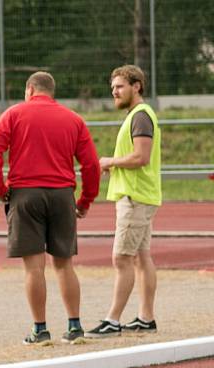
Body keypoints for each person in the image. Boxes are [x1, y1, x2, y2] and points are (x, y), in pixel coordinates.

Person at [0, 72, 101, 345]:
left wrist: (0, 191)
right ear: (52, 91)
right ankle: (74, 327)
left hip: (25, 195)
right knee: (64, 265)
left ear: (29, 89)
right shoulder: (73, 119)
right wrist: (85, 201)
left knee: (34, 268)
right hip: (62, 195)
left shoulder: (13, 115)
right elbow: (91, 165)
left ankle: (40, 329)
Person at [86, 65, 162, 338]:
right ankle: (146, 317)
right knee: (141, 257)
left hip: (135, 197)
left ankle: (113, 320)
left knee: (122, 258)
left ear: (136, 86)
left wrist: (110, 161)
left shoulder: (140, 117)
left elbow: (141, 156)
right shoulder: (138, 116)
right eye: (113, 88)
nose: (114, 92)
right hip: (140, 195)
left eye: (119, 87)